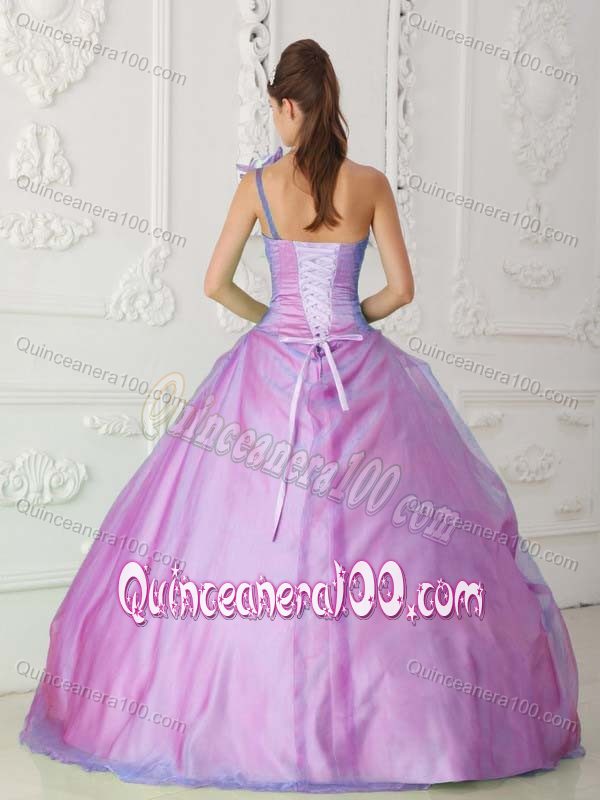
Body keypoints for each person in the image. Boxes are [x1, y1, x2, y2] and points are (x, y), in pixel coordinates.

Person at [20, 38, 583, 792]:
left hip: (270, 370)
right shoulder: (370, 183)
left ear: (288, 105)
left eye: (277, 109)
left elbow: (215, 283)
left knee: (249, 540)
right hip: (360, 372)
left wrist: (274, 323)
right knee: (396, 540)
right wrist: (349, 321)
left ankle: (258, 721)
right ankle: (410, 732)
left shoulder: (258, 186)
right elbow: (402, 291)